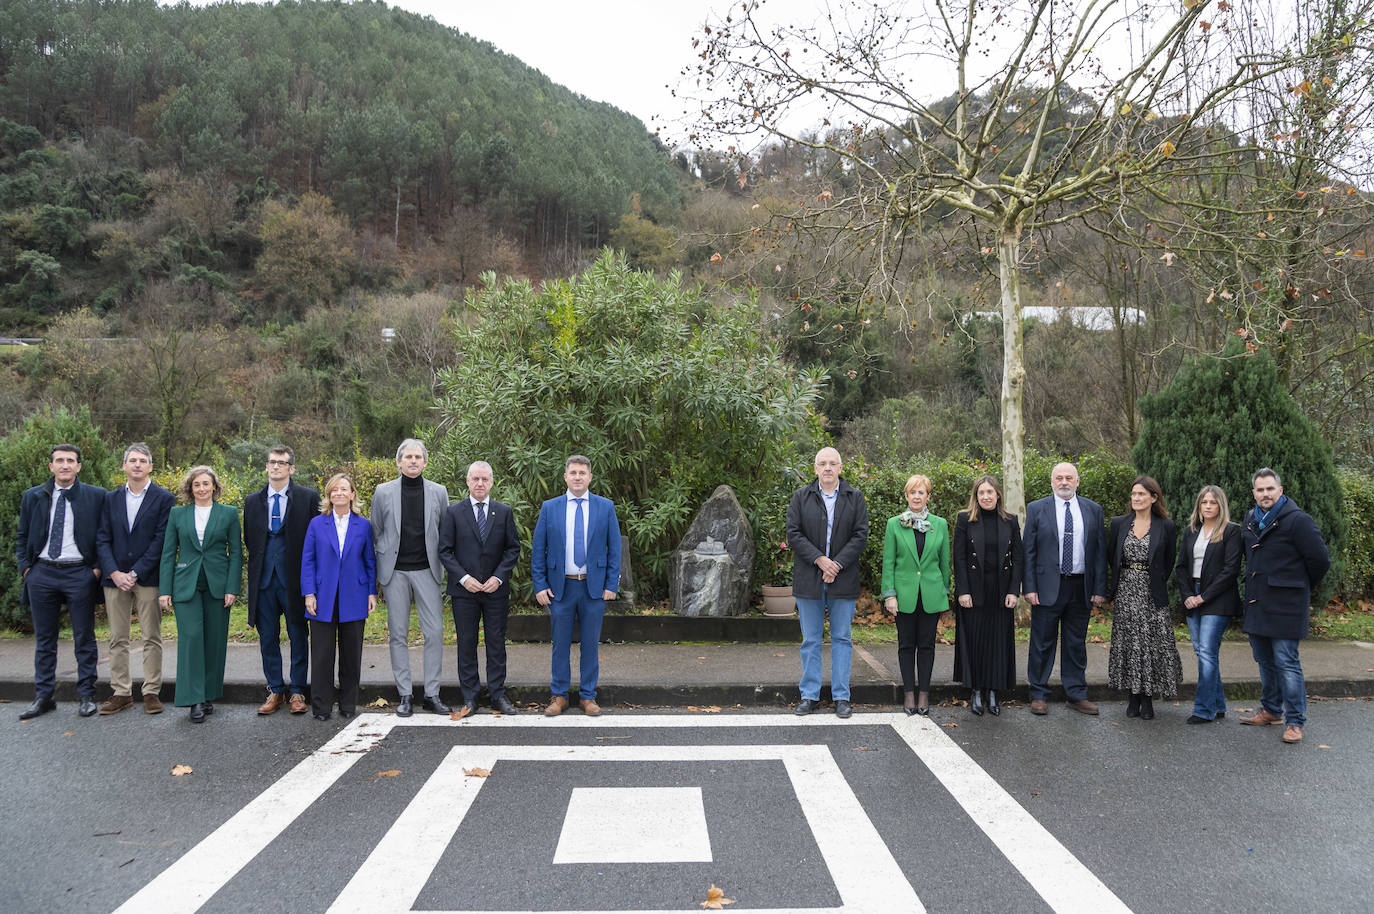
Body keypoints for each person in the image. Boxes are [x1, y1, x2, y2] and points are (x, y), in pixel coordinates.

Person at [1238, 468, 1330, 744]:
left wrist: (1296, 586)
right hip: (1257, 603)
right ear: (1254, 492)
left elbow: (1320, 561)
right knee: (1264, 661)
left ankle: (1295, 722)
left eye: (1269, 489)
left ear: (1280, 489)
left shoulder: (1297, 520)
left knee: (1287, 663)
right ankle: (1271, 710)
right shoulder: (1251, 518)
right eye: (1259, 490)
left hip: (1286, 606)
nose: (1265, 494)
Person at [15, 444, 106, 720]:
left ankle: (87, 695)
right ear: (50, 466)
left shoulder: (96, 496)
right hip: (42, 574)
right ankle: (43, 696)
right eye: (59, 460)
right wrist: (26, 570)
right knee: (44, 639)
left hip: (80, 573)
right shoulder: (33, 496)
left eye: (70, 461)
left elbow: (104, 535)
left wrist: (97, 570)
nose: (65, 465)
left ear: (79, 466)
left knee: (84, 638)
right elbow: (22, 536)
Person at [531, 455, 622, 716]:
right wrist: (540, 585)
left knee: (590, 643)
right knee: (560, 643)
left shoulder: (605, 507)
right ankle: (559, 696)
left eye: (583, 472)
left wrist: (611, 584)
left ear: (590, 477)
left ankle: (587, 696)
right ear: (566, 477)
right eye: (573, 472)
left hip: (593, 588)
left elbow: (614, 549)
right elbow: (538, 549)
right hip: (561, 587)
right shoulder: (550, 507)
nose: (578, 476)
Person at [786, 447, 869, 719]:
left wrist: (837, 564)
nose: (828, 468)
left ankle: (841, 697)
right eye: (823, 464)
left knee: (842, 638)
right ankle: (809, 696)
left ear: (841, 468)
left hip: (843, 578)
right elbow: (794, 535)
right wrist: (821, 560)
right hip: (809, 578)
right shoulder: (801, 497)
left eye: (833, 463)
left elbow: (860, 536)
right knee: (810, 640)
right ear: (815, 469)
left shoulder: (855, 498)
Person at [371, 439, 451, 716]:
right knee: (398, 634)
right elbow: (377, 531)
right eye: (408, 457)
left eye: (418, 457)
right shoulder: (382, 492)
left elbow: (444, 532)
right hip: (395, 573)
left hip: (428, 571)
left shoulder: (439, 492)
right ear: (398, 462)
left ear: (425, 462)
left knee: (434, 632)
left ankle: (432, 694)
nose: (413, 461)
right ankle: (405, 694)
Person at [158, 467, 242, 723]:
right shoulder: (177, 514)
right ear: (190, 489)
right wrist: (165, 590)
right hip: (186, 583)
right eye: (197, 484)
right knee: (192, 638)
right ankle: (193, 699)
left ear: (215, 487)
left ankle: (207, 694)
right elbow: (168, 552)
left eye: (206, 484)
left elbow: (236, 553)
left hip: (218, 583)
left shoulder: (228, 514)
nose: (202, 488)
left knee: (214, 640)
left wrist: (232, 587)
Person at [95, 443, 174, 715]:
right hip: (114, 578)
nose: (138, 464)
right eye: (132, 460)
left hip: (148, 577)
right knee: (118, 637)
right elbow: (102, 538)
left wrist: (135, 572)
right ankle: (121, 692)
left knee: (152, 636)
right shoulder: (110, 499)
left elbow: (160, 540)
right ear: (124, 466)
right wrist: (114, 572)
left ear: (151, 466)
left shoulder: (164, 499)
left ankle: (151, 691)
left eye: (143, 460)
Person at [1023, 461, 1107, 715]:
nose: (1064, 482)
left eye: (1069, 478)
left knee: (1075, 643)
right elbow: (1029, 551)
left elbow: (1100, 552)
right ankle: (1038, 693)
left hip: (1080, 587)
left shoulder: (1093, 510)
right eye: (1059, 478)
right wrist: (1029, 587)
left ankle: (1076, 693)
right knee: (1042, 643)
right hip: (1048, 586)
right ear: (1051, 482)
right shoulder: (1037, 509)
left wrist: (1099, 588)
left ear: (1077, 482)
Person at [439, 461, 522, 716]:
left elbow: (512, 548)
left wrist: (498, 577)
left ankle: (497, 695)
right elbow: (445, 550)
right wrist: (464, 578)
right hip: (465, 592)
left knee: (496, 643)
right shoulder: (453, 512)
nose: (480, 483)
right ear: (467, 481)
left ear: (492, 482)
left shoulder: (503, 511)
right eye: (475, 479)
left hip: (495, 590)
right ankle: (470, 697)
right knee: (467, 643)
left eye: (485, 479)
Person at [242, 445, 319, 716]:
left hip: (295, 580)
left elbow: (314, 541)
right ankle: (275, 689)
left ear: (291, 468)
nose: (276, 467)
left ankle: (297, 690)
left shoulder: (308, 498)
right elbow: (250, 540)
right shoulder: (252, 501)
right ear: (266, 466)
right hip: (264, 581)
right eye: (272, 462)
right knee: (267, 638)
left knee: (299, 635)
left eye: (282, 463)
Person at [300, 475, 377, 721]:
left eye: (344, 489)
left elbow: (369, 560)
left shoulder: (363, 525)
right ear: (329, 495)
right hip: (322, 596)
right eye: (334, 490)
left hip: (354, 594)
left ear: (353, 494)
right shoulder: (316, 524)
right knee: (322, 655)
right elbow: (308, 560)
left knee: (351, 654)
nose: (339, 494)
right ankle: (321, 707)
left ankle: (347, 705)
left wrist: (371, 591)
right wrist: (308, 593)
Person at [1106, 476, 1181, 720]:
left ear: (1153, 498)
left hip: (1152, 592)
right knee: (1130, 644)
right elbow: (1112, 557)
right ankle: (1132, 696)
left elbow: (1169, 561)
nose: (1136, 498)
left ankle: (1148, 698)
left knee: (1151, 645)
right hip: (1126, 590)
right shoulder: (1119, 524)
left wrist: (1154, 580)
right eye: (1134, 494)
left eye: (1142, 494)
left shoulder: (1166, 526)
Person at [951, 475, 1023, 718]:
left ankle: (993, 691)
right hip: (973, 590)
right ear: (976, 496)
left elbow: (1018, 558)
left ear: (998, 495)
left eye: (990, 492)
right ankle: (976, 691)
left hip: (1001, 591)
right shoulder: (965, 519)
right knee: (975, 641)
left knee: (997, 642)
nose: (986, 496)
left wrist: (1014, 590)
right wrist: (962, 591)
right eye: (981, 492)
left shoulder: (1010, 521)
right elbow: (959, 558)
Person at [880, 474, 950, 716]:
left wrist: (945, 593)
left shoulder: (940, 524)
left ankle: (924, 693)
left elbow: (945, 563)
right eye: (913, 492)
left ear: (928, 496)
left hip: (931, 594)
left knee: (927, 645)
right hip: (904, 595)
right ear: (907, 496)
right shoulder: (894, 524)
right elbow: (888, 563)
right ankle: (909, 692)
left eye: (921, 492)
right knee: (906, 645)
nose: (917, 496)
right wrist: (890, 595)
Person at [1175, 485, 1242, 724]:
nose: (1208, 506)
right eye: (1204, 502)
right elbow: (1181, 566)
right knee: (1204, 652)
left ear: (1220, 505)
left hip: (1218, 598)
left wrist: (1204, 597)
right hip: (1192, 595)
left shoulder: (1232, 532)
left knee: (1206, 652)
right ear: (1199, 505)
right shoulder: (1191, 531)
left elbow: (1230, 571)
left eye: (1213, 502)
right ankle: (1219, 704)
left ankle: (1203, 710)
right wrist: (1187, 595)